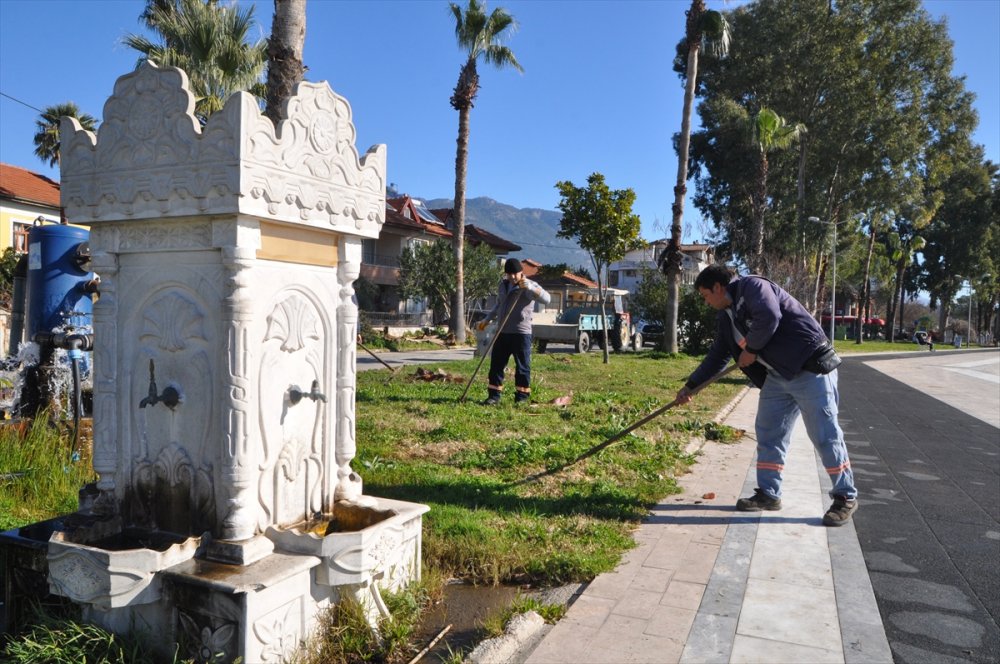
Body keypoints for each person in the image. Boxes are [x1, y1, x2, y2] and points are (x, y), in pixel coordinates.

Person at [676, 264, 859, 527]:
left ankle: (845, 497)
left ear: (718, 287)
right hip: (777, 377)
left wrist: (751, 349)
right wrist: (692, 386)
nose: (706, 302)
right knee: (768, 432)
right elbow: (718, 355)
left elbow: (769, 316)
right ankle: (768, 494)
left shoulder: (753, 286)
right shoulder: (726, 317)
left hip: (810, 369)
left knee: (824, 435)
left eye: (705, 295)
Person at [477, 258, 551, 405]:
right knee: (496, 365)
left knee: (522, 366)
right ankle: (494, 396)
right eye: (508, 274)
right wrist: (487, 319)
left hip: (521, 333)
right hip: (502, 332)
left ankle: (522, 397)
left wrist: (530, 287)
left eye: (514, 274)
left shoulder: (528, 285)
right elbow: (499, 305)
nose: (511, 277)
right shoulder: (503, 285)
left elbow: (547, 299)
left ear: (520, 272)